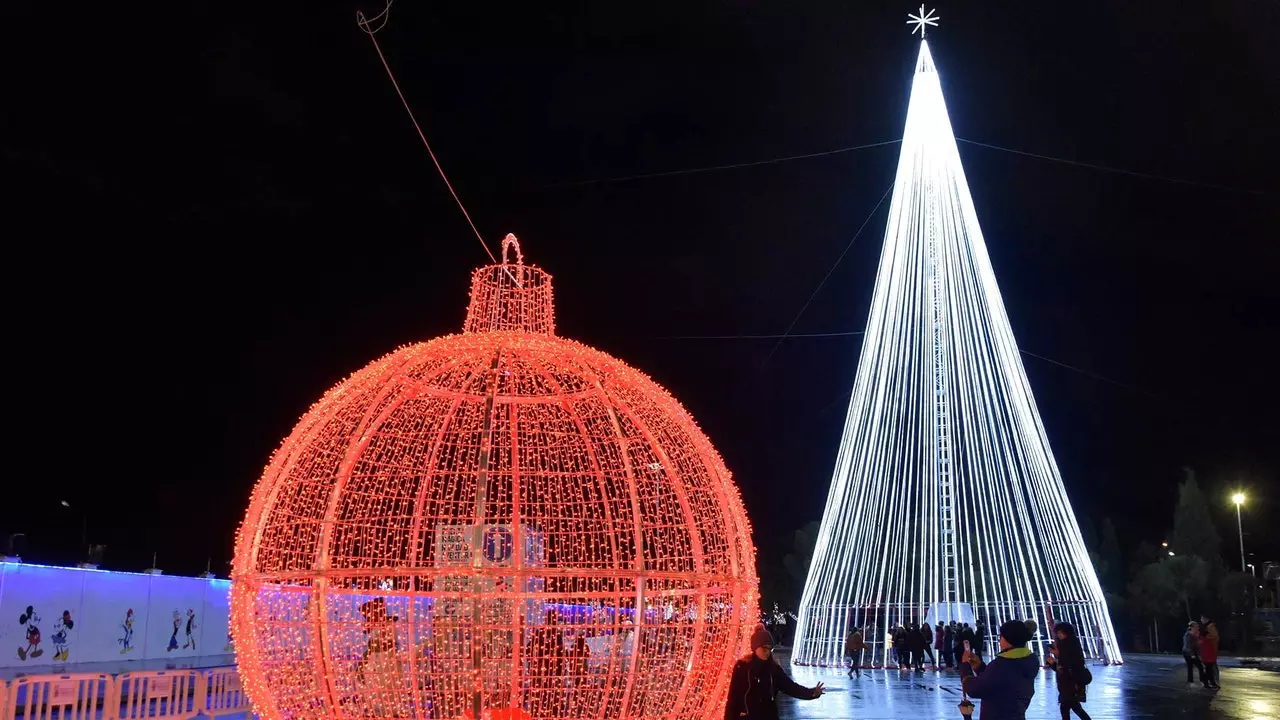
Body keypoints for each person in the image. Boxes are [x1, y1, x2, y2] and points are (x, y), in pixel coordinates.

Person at [724, 624, 824, 720]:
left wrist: (811, 693)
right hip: (747, 717)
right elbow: (733, 698)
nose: (767, 652)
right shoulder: (742, 667)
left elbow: (790, 687)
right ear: (755, 647)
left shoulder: (773, 668)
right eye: (764, 648)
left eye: (770, 649)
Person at [960, 620, 1039, 719]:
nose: (999, 640)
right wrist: (979, 667)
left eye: (1000, 637)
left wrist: (965, 666)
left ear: (1007, 639)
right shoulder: (1028, 660)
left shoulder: (1002, 664)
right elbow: (998, 682)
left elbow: (974, 689)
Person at [1047, 622, 1092, 720]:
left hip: (1069, 683)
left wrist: (1055, 659)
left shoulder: (1065, 644)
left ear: (1063, 632)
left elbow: (1065, 666)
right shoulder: (1074, 643)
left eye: (1058, 633)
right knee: (1071, 706)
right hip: (1073, 682)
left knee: (1069, 707)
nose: (1058, 635)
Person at [1199, 615, 1220, 689]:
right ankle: (1210, 683)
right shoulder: (1208, 629)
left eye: (1202, 619)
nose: (1201, 620)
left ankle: (1210, 683)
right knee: (1209, 669)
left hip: (1209, 653)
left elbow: (1214, 637)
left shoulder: (1209, 628)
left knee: (1209, 669)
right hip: (1209, 653)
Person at [1182, 621, 1205, 686]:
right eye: (1196, 627)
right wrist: (1192, 655)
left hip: (1193, 652)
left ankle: (1202, 680)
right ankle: (1190, 681)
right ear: (1192, 627)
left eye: (1198, 627)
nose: (1198, 628)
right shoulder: (1187, 635)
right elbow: (1187, 646)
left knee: (1200, 666)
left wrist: (1199, 640)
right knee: (1191, 666)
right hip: (1187, 652)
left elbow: (1197, 645)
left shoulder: (1195, 634)